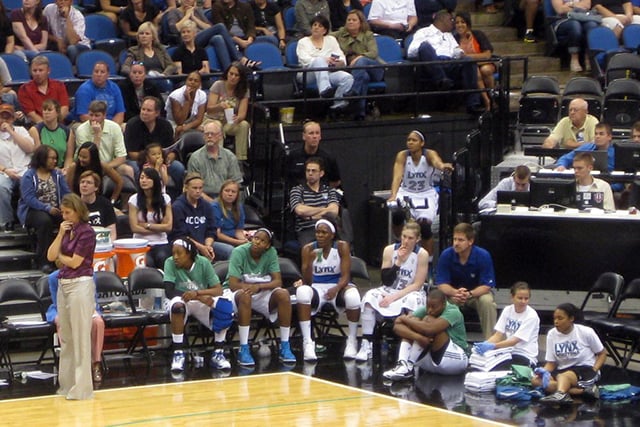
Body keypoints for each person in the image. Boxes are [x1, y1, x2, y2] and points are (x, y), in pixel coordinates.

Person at [46, 193, 96, 400]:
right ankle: (66, 384)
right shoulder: (66, 230)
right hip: (63, 285)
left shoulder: (87, 232)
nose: (64, 216)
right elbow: (50, 256)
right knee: (66, 338)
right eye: (63, 213)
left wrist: (60, 257)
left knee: (81, 337)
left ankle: (82, 388)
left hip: (80, 284)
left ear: (78, 211)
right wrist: (59, 235)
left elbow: (76, 262)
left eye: (68, 212)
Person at [357, 220, 428, 362]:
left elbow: (418, 284)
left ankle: (409, 347)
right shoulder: (389, 250)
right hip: (389, 289)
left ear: (418, 239)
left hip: (409, 291)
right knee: (370, 297)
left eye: (410, 238)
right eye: (404, 237)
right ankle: (367, 343)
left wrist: (394, 297)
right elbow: (386, 280)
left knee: (414, 300)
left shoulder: (422, 254)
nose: (406, 241)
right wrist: (398, 262)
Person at [225, 228, 297, 366]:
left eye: (262, 241)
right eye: (256, 238)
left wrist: (258, 287)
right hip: (237, 292)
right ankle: (244, 348)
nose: (257, 242)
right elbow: (233, 284)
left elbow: (278, 282)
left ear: (268, 245)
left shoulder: (271, 253)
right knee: (245, 297)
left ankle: (285, 345)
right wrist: (250, 288)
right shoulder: (239, 252)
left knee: (283, 294)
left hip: (261, 291)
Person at [294, 218, 362, 361]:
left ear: (332, 234)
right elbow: (306, 281)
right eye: (317, 232)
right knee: (302, 292)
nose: (319, 235)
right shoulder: (308, 249)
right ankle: (308, 342)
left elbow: (345, 276)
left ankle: (352, 340)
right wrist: (309, 264)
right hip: (317, 288)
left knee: (353, 296)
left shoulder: (342, 247)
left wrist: (336, 289)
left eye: (324, 232)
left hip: (337, 286)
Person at [164, 237, 233, 372]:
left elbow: (218, 290)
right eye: (173, 253)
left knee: (224, 307)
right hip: (180, 299)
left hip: (199, 299)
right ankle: (178, 354)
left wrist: (198, 294)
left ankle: (218, 353)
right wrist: (191, 295)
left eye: (179, 253)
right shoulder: (169, 262)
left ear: (189, 254)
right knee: (177, 306)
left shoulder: (203, 263)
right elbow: (169, 291)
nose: (175, 257)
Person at [388, 130, 453, 254]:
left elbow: (436, 162)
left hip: (425, 194)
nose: (410, 142)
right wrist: (393, 195)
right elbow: (397, 177)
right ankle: (399, 243)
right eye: (408, 140)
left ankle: (427, 262)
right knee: (398, 215)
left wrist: (442, 166)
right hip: (406, 192)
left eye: (414, 140)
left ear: (422, 143)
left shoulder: (429, 154)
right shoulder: (402, 155)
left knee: (425, 227)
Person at [406, 10, 484, 115]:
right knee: (425, 47)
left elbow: (456, 51)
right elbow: (411, 52)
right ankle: (442, 81)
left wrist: (459, 52)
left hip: (449, 63)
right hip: (432, 63)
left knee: (468, 61)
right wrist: (428, 46)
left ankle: (472, 104)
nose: (453, 23)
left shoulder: (449, 35)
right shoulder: (423, 32)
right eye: (450, 20)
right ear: (442, 20)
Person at [382, 288, 468, 381]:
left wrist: (405, 318)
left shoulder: (453, 311)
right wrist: (418, 337)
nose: (430, 310)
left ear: (444, 304)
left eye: (434, 307)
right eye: (428, 306)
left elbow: (429, 329)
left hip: (456, 359)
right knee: (414, 323)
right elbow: (397, 327)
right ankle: (403, 365)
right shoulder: (427, 309)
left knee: (427, 321)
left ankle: (409, 364)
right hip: (432, 360)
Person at [534, 303, 606, 403]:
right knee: (536, 381)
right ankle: (581, 392)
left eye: (560, 318)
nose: (556, 322)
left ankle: (561, 394)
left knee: (563, 377)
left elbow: (602, 353)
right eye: (555, 318)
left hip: (585, 369)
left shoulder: (586, 332)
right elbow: (551, 363)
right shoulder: (552, 334)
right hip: (563, 370)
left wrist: (594, 370)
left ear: (571, 318)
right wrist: (543, 372)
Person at [436, 222, 496, 339]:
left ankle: (490, 342)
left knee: (487, 301)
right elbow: (441, 284)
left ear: (470, 241)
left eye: (460, 240)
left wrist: (469, 294)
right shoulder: (446, 255)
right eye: (454, 239)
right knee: (440, 301)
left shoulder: (483, 255)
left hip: (475, 295)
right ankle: (444, 340)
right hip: (453, 295)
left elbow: (487, 286)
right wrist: (455, 293)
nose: (456, 243)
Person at [46, 269, 105, 383]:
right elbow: (57, 301)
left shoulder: (90, 274)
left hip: (86, 307)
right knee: (62, 321)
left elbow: (93, 299)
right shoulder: (54, 277)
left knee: (98, 322)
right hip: (64, 308)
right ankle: (71, 365)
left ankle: (96, 364)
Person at [164, 0, 261, 71]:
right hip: (187, 40)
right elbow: (174, 29)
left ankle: (227, 70)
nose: (188, 0)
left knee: (217, 38)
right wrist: (187, 16)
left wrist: (194, 17)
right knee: (220, 27)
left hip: (201, 38)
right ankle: (240, 58)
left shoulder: (196, 11)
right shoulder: (174, 12)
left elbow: (208, 27)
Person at [18, 145, 71, 273]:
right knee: (44, 221)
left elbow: (66, 193)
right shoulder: (29, 176)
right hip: (33, 210)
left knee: (71, 220)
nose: (55, 161)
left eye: (55, 158)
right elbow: (28, 198)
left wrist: (72, 206)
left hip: (55, 208)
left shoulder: (57, 175)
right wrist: (47, 208)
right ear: (42, 158)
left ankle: (69, 257)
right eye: (51, 158)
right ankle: (44, 261)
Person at [473, 281, 540, 369]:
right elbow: (498, 335)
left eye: (526, 298)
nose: (523, 301)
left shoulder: (531, 316)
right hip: (508, 352)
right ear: (512, 297)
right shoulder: (507, 310)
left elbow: (514, 341)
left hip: (525, 355)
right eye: (520, 298)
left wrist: (493, 346)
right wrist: (485, 344)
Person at [124, 96, 184, 194]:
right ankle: (141, 195)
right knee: (134, 168)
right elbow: (131, 153)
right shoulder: (132, 125)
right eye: (143, 109)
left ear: (157, 113)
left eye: (148, 110)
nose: (144, 113)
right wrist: (150, 159)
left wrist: (170, 156)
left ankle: (175, 197)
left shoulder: (165, 125)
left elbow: (171, 148)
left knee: (178, 168)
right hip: (140, 161)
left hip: (162, 160)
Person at [331, 9, 384, 120]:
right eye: (348, 20)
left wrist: (360, 57)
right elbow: (326, 36)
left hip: (374, 69)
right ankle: (360, 113)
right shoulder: (341, 33)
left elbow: (374, 53)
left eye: (354, 20)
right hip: (357, 72)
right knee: (363, 77)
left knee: (362, 61)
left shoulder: (368, 35)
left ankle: (354, 90)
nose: (350, 22)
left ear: (360, 23)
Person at [296, 15, 354, 112]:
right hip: (307, 74)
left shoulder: (331, 40)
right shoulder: (303, 42)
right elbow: (304, 60)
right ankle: (324, 91)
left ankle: (337, 104)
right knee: (319, 60)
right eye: (314, 25)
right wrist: (324, 60)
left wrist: (338, 62)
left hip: (327, 73)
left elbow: (341, 56)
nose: (316, 27)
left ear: (325, 30)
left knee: (347, 77)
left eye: (320, 26)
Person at [75, 100, 133, 180]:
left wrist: (106, 167)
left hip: (110, 165)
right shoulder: (81, 130)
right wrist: (97, 136)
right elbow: (89, 158)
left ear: (104, 115)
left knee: (127, 170)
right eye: (91, 115)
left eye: (97, 115)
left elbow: (121, 157)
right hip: (88, 166)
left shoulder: (115, 127)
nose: (93, 119)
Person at [186, 120, 243, 202]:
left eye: (212, 134)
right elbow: (193, 187)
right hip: (202, 199)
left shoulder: (230, 156)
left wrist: (223, 203)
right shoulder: (195, 158)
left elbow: (235, 184)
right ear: (203, 137)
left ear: (220, 136)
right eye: (206, 134)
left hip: (226, 199)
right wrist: (213, 204)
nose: (209, 136)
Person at [0, 103, 36, 232]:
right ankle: (7, 221)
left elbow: (30, 148)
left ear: (13, 119)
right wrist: (5, 170)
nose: (4, 121)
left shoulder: (21, 130)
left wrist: (11, 131)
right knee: (1, 186)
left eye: (7, 117)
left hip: (24, 169)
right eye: (1, 117)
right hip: (4, 171)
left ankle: (27, 221)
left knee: (30, 183)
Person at [128, 167, 173, 268]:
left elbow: (168, 227)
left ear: (155, 181)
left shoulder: (165, 199)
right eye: (142, 177)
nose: (143, 180)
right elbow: (134, 228)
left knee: (162, 258)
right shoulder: (134, 200)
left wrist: (146, 225)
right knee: (147, 262)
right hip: (140, 243)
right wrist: (159, 228)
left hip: (161, 242)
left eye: (148, 178)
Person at [289, 157, 340, 246]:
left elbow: (334, 211)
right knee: (310, 249)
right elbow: (300, 211)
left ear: (321, 173)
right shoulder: (297, 190)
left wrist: (310, 216)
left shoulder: (329, 190)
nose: (310, 173)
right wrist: (324, 209)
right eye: (308, 171)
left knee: (342, 247)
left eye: (313, 171)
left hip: (328, 228)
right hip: (307, 230)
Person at [205, 62, 251, 162]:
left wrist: (237, 118)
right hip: (213, 119)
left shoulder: (244, 90)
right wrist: (219, 106)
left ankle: (240, 160)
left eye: (236, 75)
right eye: (231, 74)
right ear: (227, 74)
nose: (233, 77)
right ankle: (217, 159)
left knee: (243, 125)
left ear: (240, 77)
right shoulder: (218, 85)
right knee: (216, 126)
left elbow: (242, 114)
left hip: (229, 122)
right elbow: (209, 108)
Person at [170, 171, 219, 261]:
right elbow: (181, 235)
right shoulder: (177, 207)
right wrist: (201, 248)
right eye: (194, 188)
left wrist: (208, 246)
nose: (198, 191)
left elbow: (211, 229)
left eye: (200, 188)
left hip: (205, 243)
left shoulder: (206, 205)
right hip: (186, 246)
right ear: (186, 188)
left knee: (229, 251)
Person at [454, 12, 495, 111]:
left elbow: (487, 55)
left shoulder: (478, 34)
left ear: (468, 23)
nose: (459, 25)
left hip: (484, 63)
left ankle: (492, 96)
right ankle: (487, 101)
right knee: (475, 71)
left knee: (486, 70)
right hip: (467, 66)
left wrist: (467, 57)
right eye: (457, 23)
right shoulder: (454, 38)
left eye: (462, 22)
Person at [120, 22, 177, 93]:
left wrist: (164, 75)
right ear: (138, 37)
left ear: (153, 37)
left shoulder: (160, 49)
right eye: (141, 34)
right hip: (145, 82)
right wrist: (139, 75)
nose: (144, 36)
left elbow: (171, 65)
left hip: (161, 79)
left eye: (147, 34)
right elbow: (125, 67)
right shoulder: (134, 51)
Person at [286, 120, 341, 188]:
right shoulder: (293, 156)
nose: (314, 136)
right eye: (311, 133)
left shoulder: (328, 158)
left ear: (320, 136)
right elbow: (286, 179)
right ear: (304, 136)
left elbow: (335, 181)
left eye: (317, 133)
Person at [17, 55, 71, 124]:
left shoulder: (59, 85)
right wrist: (46, 127)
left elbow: (64, 108)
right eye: (34, 70)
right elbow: (31, 114)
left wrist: (55, 125)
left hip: (59, 124)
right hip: (37, 126)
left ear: (48, 71)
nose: (37, 73)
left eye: (40, 70)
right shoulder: (24, 89)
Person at [66, 141, 124, 205]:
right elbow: (69, 189)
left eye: (84, 157)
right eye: (79, 156)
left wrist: (113, 200)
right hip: (78, 202)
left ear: (93, 157)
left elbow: (119, 182)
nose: (81, 159)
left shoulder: (102, 166)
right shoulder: (73, 167)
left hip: (98, 201)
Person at [550, 0, 598, 72]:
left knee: (592, 25)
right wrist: (578, 5)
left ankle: (588, 57)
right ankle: (574, 58)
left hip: (583, 17)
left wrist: (570, 5)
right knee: (575, 25)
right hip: (563, 19)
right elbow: (560, 10)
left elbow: (587, 6)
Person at [43, 0, 91, 64]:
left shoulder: (78, 16)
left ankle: (71, 70)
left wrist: (67, 17)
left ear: (71, 2)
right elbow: (42, 32)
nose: (62, 2)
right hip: (58, 43)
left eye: (65, 0)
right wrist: (57, 40)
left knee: (71, 48)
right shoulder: (49, 9)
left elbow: (73, 41)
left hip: (79, 46)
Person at [211, 179, 250, 260]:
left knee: (253, 248)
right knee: (232, 251)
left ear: (237, 194)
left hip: (234, 239)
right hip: (217, 241)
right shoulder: (214, 207)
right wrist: (237, 242)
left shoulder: (239, 207)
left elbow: (238, 231)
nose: (230, 194)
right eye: (227, 191)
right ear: (221, 192)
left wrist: (245, 241)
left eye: (233, 192)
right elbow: (218, 235)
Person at [35, 99, 74, 173]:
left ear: (57, 112)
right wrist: (55, 170)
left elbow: (69, 157)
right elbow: (38, 157)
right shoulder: (36, 130)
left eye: (49, 110)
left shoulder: (67, 131)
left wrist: (66, 170)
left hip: (62, 168)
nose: (46, 112)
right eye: (44, 110)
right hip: (43, 168)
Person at [167, 72, 207, 141]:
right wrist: (187, 101)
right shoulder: (175, 96)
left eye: (196, 81)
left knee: (209, 130)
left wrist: (187, 127)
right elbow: (180, 122)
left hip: (191, 123)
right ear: (186, 81)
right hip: (174, 124)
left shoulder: (202, 95)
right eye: (190, 80)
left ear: (200, 84)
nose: (192, 82)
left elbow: (199, 119)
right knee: (178, 130)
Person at [78, 170, 117, 241]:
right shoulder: (74, 204)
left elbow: (112, 232)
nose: (84, 185)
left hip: (101, 241)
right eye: (82, 182)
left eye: (89, 183)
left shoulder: (105, 204)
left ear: (96, 187)